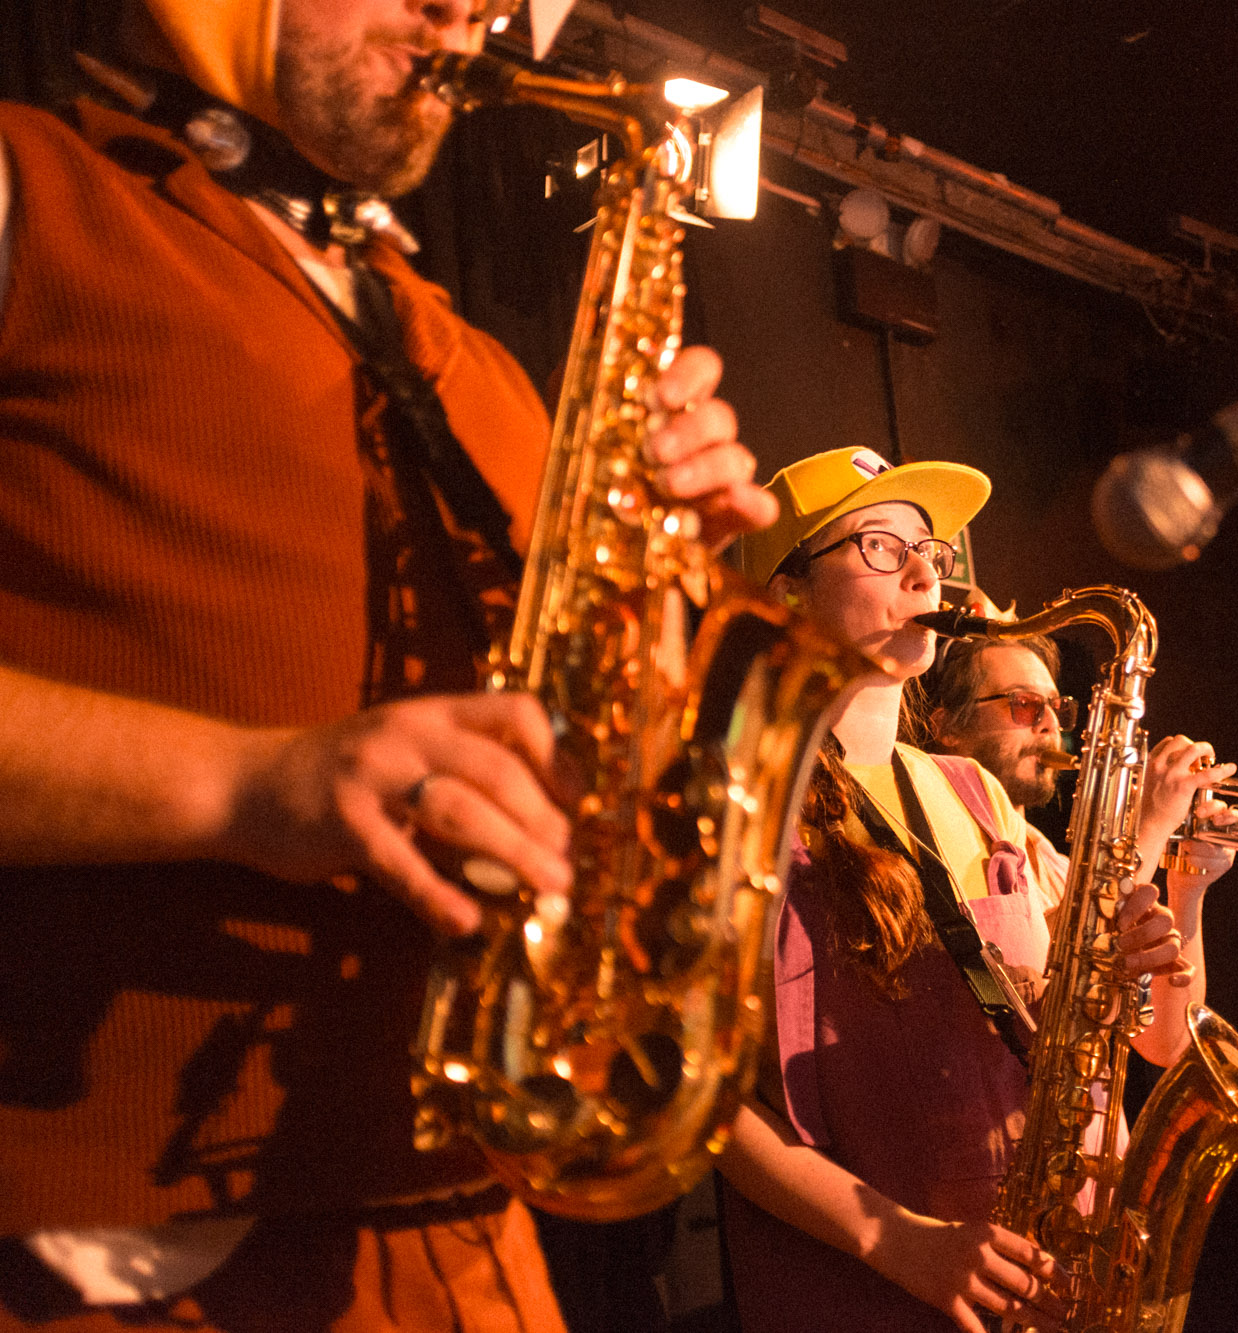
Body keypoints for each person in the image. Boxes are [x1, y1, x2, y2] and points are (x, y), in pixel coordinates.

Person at [0, 1, 768, 1328]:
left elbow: (602, 787)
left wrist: (656, 589)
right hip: (113, 1259)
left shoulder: (480, 367)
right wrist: (246, 786)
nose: (468, 9)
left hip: (478, 1237)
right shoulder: (32, 191)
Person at [714, 447, 1195, 1333]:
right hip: (869, 1294)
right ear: (785, 597)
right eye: (880, 545)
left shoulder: (972, 793)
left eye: (928, 547)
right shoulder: (735, 806)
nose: (926, 568)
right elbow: (707, 1103)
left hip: (1041, 1273)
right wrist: (907, 1244)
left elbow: (1041, 1014)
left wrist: (1113, 968)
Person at [921, 626, 1238, 1067]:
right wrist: (1149, 826)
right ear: (947, 726)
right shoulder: (936, 841)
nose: (1050, 723)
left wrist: (1188, 888)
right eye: (1023, 704)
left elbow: (1167, 1044)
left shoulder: (1058, 869)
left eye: (1058, 708)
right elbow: (1033, 974)